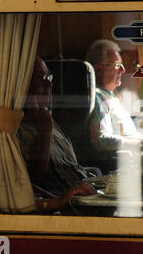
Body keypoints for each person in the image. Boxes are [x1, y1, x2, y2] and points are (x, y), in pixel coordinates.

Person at [18, 56, 96, 213]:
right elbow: (33, 182)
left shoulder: (46, 117)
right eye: (40, 77)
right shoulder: (13, 129)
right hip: (67, 209)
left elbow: (71, 168)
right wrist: (44, 132)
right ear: (20, 82)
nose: (49, 84)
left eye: (48, 77)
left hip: (86, 197)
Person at [84, 39, 143, 172]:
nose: (123, 70)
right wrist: (140, 141)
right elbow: (101, 141)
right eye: (117, 65)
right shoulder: (98, 97)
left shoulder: (111, 95)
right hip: (120, 167)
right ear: (99, 70)